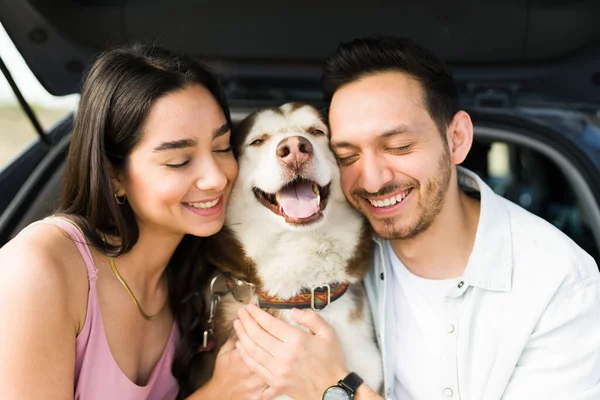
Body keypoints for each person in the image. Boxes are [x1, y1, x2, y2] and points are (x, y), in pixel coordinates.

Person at [233, 36, 600, 399]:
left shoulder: (561, 285)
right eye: (347, 156)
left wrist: (335, 389)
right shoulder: (340, 249)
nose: (373, 180)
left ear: (456, 139)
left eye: (399, 146)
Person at [0, 45, 274, 400]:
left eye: (222, 148)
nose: (216, 179)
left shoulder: (202, 277)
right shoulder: (40, 266)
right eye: (179, 161)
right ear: (114, 175)